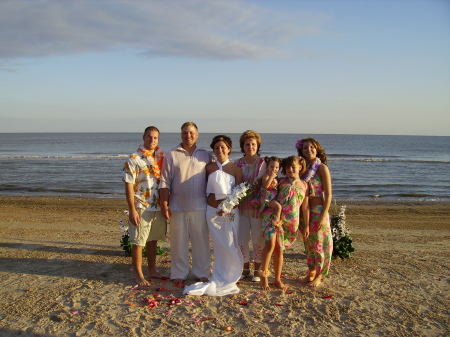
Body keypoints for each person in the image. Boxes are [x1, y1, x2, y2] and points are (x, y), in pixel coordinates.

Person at [183, 135, 244, 296]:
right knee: (218, 245)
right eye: (216, 148)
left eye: (223, 147)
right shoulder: (208, 168)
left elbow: (239, 193)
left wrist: (228, 207)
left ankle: (231, 275)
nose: (220, 150)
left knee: (230, 243)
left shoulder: (236, 169)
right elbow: (202, 188)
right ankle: (218, 273)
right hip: (211, 212)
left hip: (230, 214)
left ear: (229, 149)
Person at [159, 122, 213, 285]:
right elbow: (164, 182)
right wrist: (164, 204)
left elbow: (213, 181)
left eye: (191, 133)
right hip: (177, 207)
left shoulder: (205, 155)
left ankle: (202, 272)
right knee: (178, 242)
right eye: (184, 133)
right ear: (180, 135)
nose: (188, 136)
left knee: (201, 242)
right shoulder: (171, 155)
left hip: (200, 206)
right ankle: (178, 273)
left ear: (197, 135)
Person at [255, 156, 309, 291]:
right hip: (273, 218)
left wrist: (306, 225)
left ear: (300, 167)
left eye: (293, 167)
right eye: (287, 167)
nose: (290, 169)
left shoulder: (305, 184)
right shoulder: (280, 181)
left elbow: (305, 207)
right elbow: (267, 193)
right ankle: (263, 276)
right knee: (270, 245)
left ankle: (277, 279)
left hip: (291, 221)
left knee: (279, 250)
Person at [122, 126, 167, 286]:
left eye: (155, 138)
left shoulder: (160, 158)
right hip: (141, 206)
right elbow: (128, 185)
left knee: (153, 240)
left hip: (157, 206)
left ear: (158, 140)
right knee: (138, 241)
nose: (152, 140)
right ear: (143, 137)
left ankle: (152, 270)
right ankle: (139, 275)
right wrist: (132, 209)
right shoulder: (134, 159)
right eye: (149, 137)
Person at [296, 137, 333, 287]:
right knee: (308, 242)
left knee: (319, 243)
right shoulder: (301, 168)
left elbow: (329, 194)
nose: (308, 150)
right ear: (301, 151)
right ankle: (310, 272)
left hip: (318, 210)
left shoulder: (321, 168)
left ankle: (320, 275)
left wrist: (324, 214)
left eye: (311, 147)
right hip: (304, 210)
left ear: (317, 149)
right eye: (305, 147)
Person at [236, 130, 266, 282]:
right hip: (241, 208)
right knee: (241, 240)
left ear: (257, 145)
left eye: (253, 144)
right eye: (247, 144)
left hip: (257, 209)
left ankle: (257, 269)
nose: (250, 147)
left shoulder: (263, 163)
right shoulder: (238, 163)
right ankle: (245, 268)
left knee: (257, 240)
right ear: (243, 146)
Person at [251, 156, 283, 225]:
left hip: (272, 197)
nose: (274, 169)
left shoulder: (276, 177)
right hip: (266, 197)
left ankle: (273, 219)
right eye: (272, 167)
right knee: (278, 207)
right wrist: (271, 177)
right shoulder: (266, 176)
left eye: (276, 167)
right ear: (267, 167)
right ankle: (276, 222)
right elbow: (266, 186)